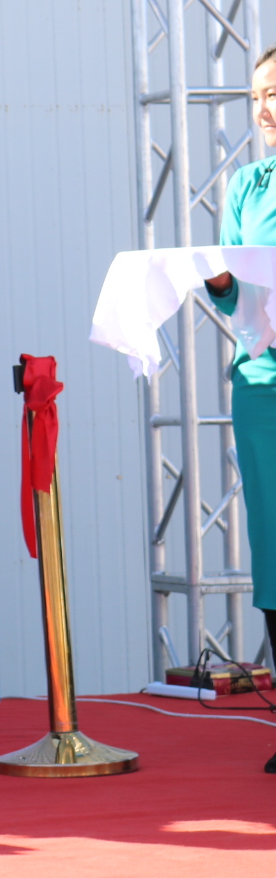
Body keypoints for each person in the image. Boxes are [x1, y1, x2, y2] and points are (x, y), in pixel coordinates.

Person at [202, 44, 276, 773]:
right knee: (275, 550)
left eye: (275, 92)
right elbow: (234, 299)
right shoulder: (248, 184)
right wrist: (218, 280)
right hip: (264, 386)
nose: (264, 108)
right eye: (257, 96)